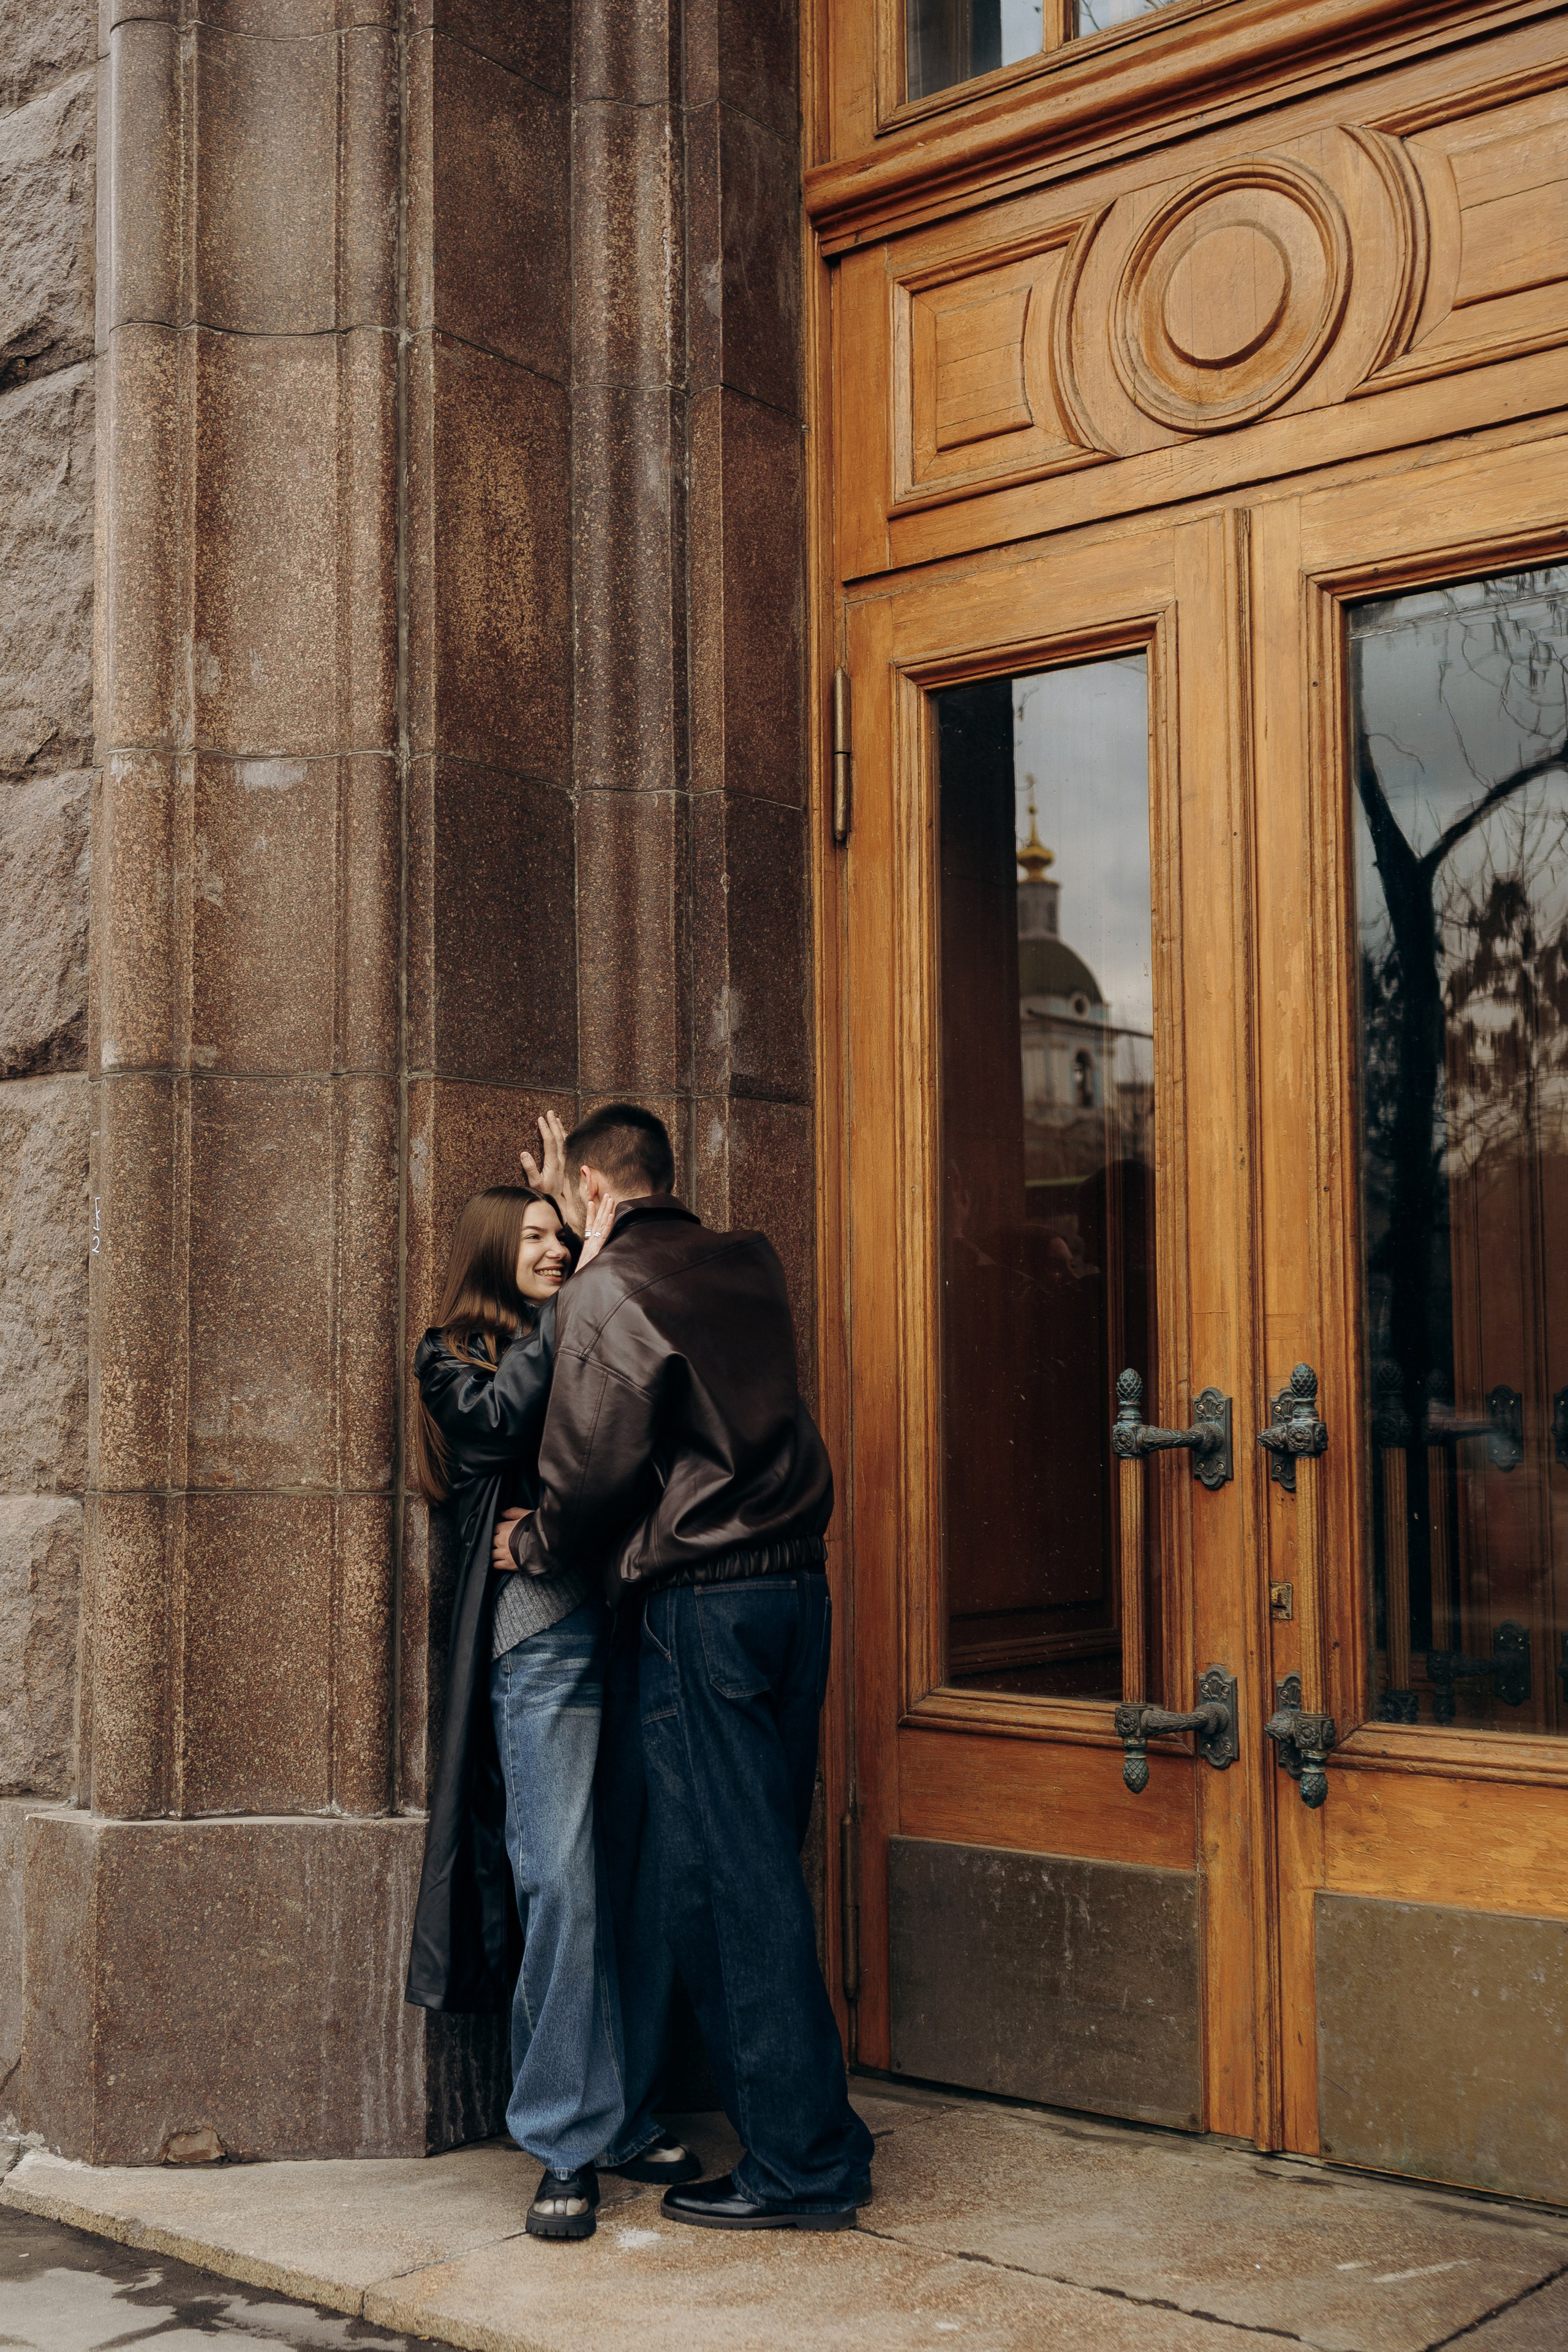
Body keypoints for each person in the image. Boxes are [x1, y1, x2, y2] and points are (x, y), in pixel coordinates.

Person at [493, 1102, 875, 2230]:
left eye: (572, 1210)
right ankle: (820, 2140)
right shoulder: (749, 1260)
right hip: (797, 1592)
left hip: (701, 1604)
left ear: (600, 1199)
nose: (566, 1233)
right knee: (764, 1864)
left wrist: (537, 1542)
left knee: (729, 1882)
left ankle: (799, 2169)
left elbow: (589, 1468)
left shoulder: (608, 1291)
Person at [405, 1122, 698, 2243]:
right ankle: (565, 2142)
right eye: (532, 1236)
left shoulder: (591, 1315)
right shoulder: (455, 1355)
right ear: (493, 1251)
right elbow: (492, 1426)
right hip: (540, 1641)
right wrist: (577, 1272)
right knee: (560, 1882)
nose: (553, 1247)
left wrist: (589, 1238)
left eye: (560, 1231)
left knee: (629, 1877)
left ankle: (618, 2120)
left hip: (636, 1625)